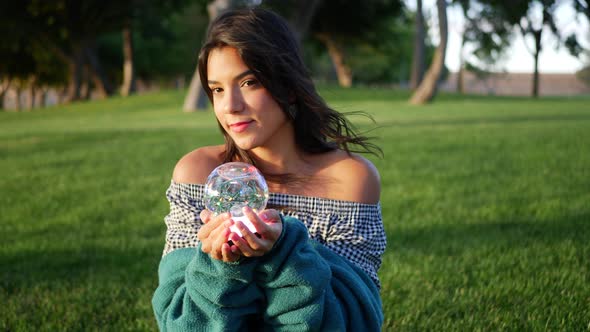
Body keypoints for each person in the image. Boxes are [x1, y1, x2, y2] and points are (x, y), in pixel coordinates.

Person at [152, 7, 386, 331]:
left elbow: (355, 321)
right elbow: (176, 321)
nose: (230, 105)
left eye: (249, 82)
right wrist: (219, 266)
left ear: (288, 85)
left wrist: (286, 250)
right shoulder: (197, 175)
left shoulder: (349, 180)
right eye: (217, 89)